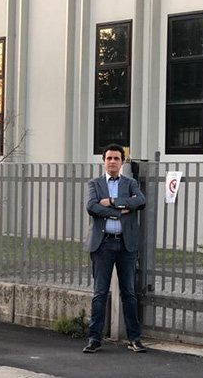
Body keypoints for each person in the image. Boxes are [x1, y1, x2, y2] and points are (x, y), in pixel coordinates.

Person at [83, 143, 147, 354]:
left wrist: (111, 201)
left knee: (129, 292)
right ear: (104, 161)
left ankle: (134, 339)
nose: (112, 162)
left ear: (122, 162)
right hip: (102, 244)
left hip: (126, 244)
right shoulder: (94, 183)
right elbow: (92, 206)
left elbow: (140, 201)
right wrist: (121, 211)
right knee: (100, 293)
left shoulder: (130, 183)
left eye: (116, 158)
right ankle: (94, 339)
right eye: (109, 158)